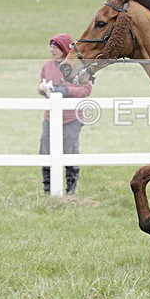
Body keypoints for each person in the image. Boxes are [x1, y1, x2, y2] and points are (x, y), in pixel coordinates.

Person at [38, 33, 92, 194]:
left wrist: (66, 90)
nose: (52, 50)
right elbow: (41, 86)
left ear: (63, 49)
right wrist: (43, 89)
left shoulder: (78, 66)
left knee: (70, 151)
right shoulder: (47, 66)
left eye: (55, 47)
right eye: (50, 47)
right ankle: (48, 190)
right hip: (50, 117)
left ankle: (70, 191)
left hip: (71, 118)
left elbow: (86, 89)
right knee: (45, 149)